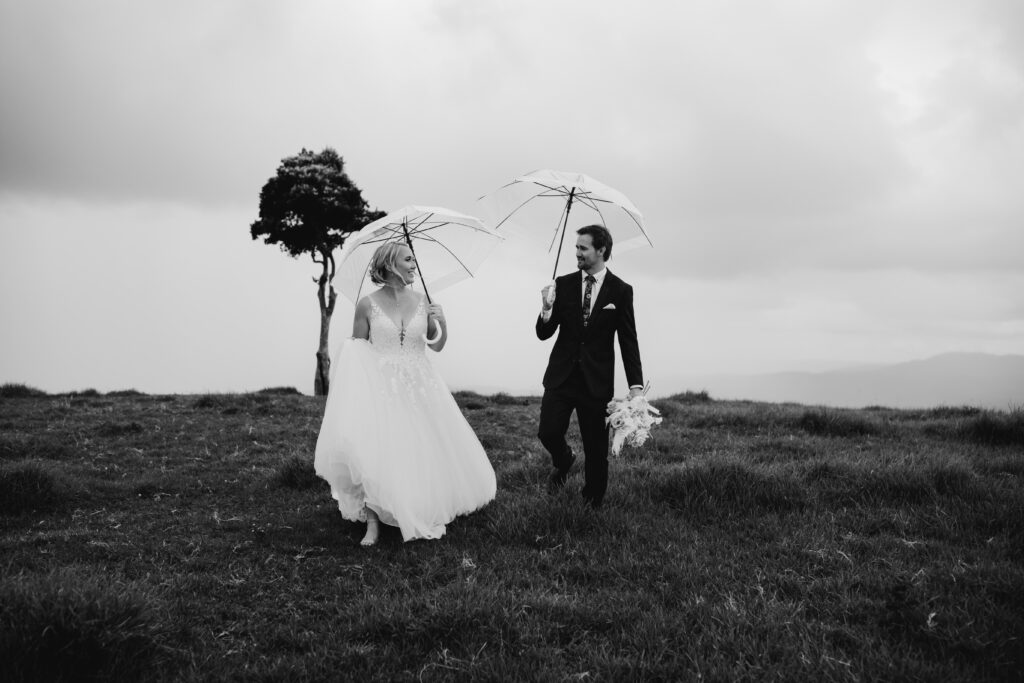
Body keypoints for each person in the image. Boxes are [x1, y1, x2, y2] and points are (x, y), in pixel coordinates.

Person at [314, 242, 496, 545]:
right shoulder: (366, 304)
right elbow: (357, 351)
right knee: (377, 450)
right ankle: (373, 522)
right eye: (408, 259)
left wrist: (442, 324)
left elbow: (436, 346)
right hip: (380, 387)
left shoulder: (425, 301)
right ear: (390, 264)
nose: (414, 264)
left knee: (422, 447)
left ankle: (417, 502)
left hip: (421, 385)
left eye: (414, 259)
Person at [536, 224, 644, 508]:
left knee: (596, 449)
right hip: (560, 376)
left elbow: (628, 340)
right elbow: (544, 333)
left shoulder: (621, 291)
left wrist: (635, 386)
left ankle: (592, 502)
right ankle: (564, 460)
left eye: (583, 248)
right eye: (576, 247)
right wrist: (546, 310)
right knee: (547, 432)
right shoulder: (564, 283)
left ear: (601, 250)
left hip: (595, 382)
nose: (577, 253)